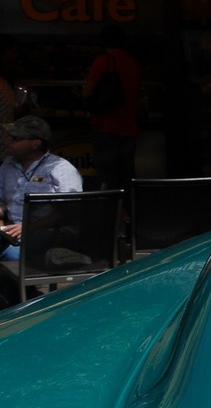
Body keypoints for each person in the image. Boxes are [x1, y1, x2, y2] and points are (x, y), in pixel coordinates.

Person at [0, 116, 83, 306]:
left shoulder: (60, 168)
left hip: (53, 233)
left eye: (15, 138)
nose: (8, 141)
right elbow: (3, 202)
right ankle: (16, 300)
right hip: (15, 231)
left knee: (11, 255)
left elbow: (71, 210)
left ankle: (20, 304)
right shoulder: (7, 166)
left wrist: (30, 226)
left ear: (35, 143)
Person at [83, 24, 141, 190]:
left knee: (107, 176)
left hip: (106, 125)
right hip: (129, 126)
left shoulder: (104, 61)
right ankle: (130, 210)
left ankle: (112, 212)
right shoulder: (133, 63)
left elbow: (87, 92)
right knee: (127, 173)